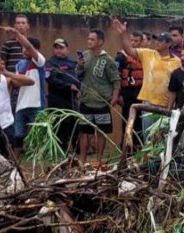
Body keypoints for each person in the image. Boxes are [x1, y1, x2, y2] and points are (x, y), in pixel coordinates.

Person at [112, 22, 181, 136]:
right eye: (156, 40)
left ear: (168, 43)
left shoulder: (177, 61)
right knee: (148, 135)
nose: (156, 42)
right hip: (148, 102)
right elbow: (129, 50)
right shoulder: (147, 54)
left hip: (166, 103)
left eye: (160, 40)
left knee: (162, 136)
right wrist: (123, 34)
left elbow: (177, 85)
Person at [76, 29, 120, 169]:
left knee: (101, 133)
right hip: (86, 100)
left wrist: (114, 97)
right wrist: (79, 66)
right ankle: (82, 159)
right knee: (84, 132)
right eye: (88, 38)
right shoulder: (85, 56)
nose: (89, 41)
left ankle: (99, 160)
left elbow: (116, 80)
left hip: (102, 101)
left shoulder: (108, 60)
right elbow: (79, 75)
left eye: (92, 39)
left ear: (100, 42)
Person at [0, 26, 45, 156]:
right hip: (21, 104)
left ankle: (39, 158)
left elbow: (30, 48)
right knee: (18, 134)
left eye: (26, 47)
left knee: (38, 133)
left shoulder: (39, 61)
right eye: (22, 47)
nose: (24, 50)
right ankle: (16, 159)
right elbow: (17, 83)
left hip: (37, 104)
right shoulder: (19, 64)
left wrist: (16, 33)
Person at [44, 38, 80, 151]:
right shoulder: (50, 63)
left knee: (75, 123)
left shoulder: (74, 62)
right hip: (57, 100)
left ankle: (76, 149)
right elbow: (50, 79)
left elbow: (79, 76)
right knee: (61, 125)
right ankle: (60, 149)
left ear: (67, 50)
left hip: (72, 99)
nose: (58, 50)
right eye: (56, 48)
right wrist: (67, 86)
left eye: (61, 48)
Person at [115, 30, 145, 147]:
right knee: (127, 122)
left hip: (141, 93)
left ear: (141, 42)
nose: (133, 43)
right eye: (131, 40)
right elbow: (116, 77)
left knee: (140, 122)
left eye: (136, 41)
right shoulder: (121, 57)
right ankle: (125, 149)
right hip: (127, 94)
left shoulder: (145, 56)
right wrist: (118, 95)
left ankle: (138, 148)